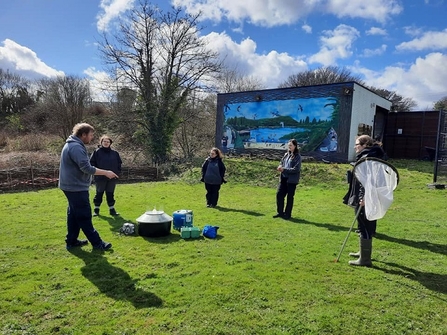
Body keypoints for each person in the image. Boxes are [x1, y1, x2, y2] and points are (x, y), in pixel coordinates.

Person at [59, 123, 118, 251]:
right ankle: (97, 243)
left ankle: (71, 241)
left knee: (74, 214)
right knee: (84, 215)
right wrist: (106, 172)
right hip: (75, 187)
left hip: (71, 186)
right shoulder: (75, 147)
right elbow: (86, 168)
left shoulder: (72, 144)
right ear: (83, 134)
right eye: (90, 135)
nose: (91, 138)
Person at [343, 134, 386, 266]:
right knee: (363, 226)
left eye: (357, 144)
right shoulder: (370, 156)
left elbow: (367, 182)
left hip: (366, 198)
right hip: (367, 197)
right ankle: (363, 252)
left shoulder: (368, 158)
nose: (355, 147)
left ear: (365, 145)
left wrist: (364, 198)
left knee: (364, 227)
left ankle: (365, 260)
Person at [90, 135, 122, 216]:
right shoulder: (96, 152)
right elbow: (91, 163)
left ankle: (112, 210)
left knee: (110, 193)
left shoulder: (115, 153)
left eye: (108, 142)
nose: (106, 143)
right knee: (99, 193)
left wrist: (117, 172)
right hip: (100, 177)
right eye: (104, 141)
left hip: (112, 178)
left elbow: (119, 163)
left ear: (110, 143)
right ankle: (96, 210)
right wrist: (97, 173)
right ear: (101, 142)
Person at [273, 139, 302, 220]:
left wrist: (284, 169)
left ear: (295, 146)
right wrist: (280, 166)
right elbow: (281, 162)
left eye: (291, 145)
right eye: (288, 145)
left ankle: (287, 214)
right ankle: (280, 212)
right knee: (279, 195)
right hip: (283, 179)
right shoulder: (286, 154)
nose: (289, 147)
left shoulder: (298, 157)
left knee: (289, 197)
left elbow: (296, 169)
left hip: (291, 180)